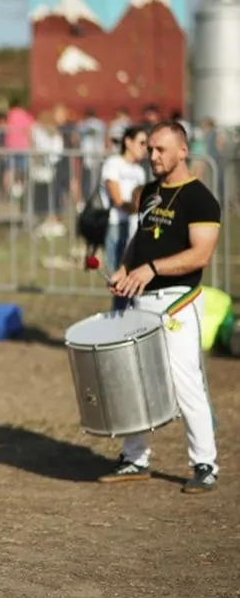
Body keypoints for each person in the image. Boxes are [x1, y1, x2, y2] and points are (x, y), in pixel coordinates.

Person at [103, 121, 221, 494]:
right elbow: (139, 239)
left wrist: (151, 269)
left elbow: (200, 254)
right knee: (135, 379)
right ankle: (134, 457)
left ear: (182, 151)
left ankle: (205, 464)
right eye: (150, 148)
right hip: (141, 298)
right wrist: (125, 268)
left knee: (185, 382)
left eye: (160, 150)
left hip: (178, 301)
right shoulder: (150, 191)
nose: (152, 156)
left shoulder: (200, 198)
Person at [100, 126, 148, 311]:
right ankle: (119, 321)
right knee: (119, 280)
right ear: (128, 141)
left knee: (132, 278)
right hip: (115, 225)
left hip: (133, 226)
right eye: (141, 143)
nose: (145, 148)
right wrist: (136, 207)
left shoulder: (139, 171)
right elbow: (117, 199)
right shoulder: (114, 163)